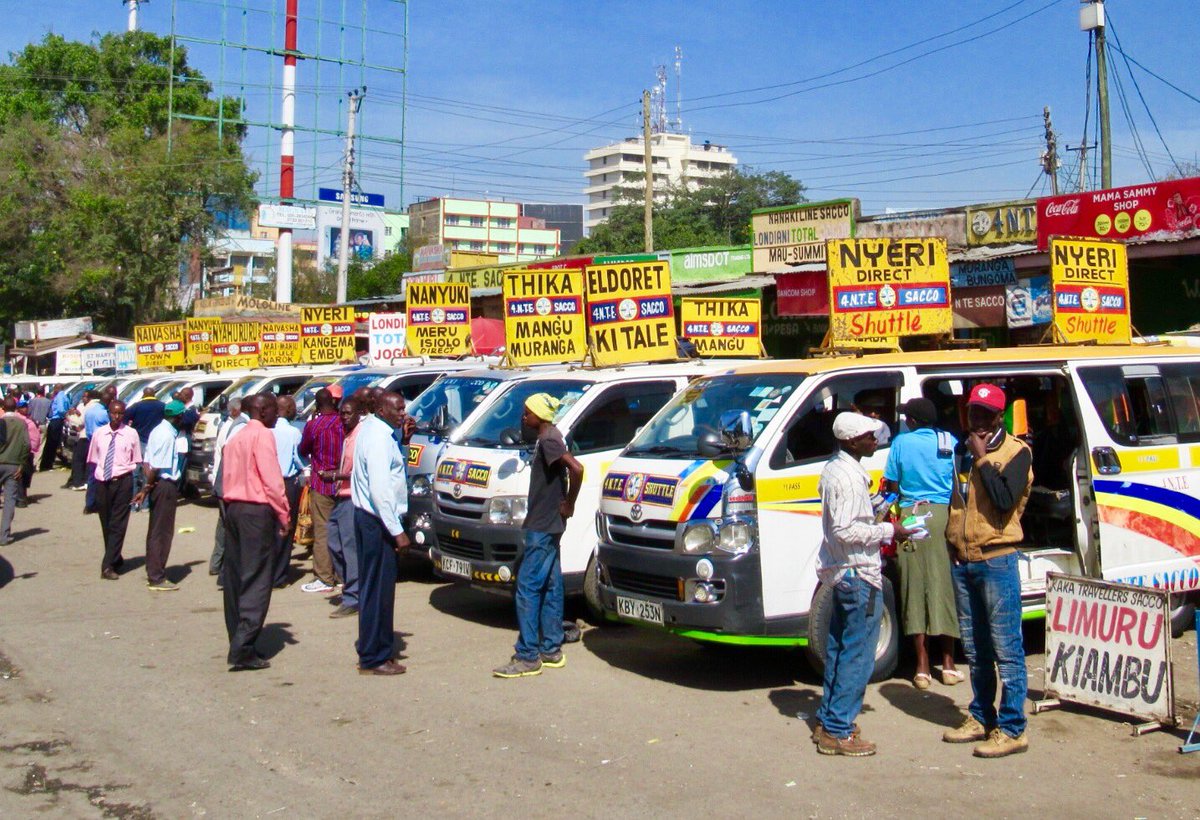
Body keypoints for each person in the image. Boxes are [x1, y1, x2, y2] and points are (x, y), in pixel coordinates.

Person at [812, 412, 913, 757]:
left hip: (844, 572)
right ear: (853, 441)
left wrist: (880, 510)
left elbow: (852, 518)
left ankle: (831, 719)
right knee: (858, 655)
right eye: (869, 437)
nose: (875, 441)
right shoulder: (847, 477)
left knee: (842, 649)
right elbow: (844, 530)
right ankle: (838, 729)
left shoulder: (839, 470)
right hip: (857, 573)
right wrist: (889, 531)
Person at [942, 383, 1033, 759]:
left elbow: (1003, 499)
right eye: (972, 413)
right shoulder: (962, 452)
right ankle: (981, 716)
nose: (976, 420)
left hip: (997, 558)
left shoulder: (1017, 452)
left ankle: (1013, 728)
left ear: (998, 416)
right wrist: (953, 544)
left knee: (1006, 649)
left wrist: (982, 458)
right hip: (965, 561)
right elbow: (958, 502)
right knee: (976, 650)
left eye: (984, 414)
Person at [492, 393, 584, 679]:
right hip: (550, 524)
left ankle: (528, 655)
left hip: (542, 526)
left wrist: (570, 502)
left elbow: (577, 468)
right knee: (551, 587)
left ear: (540, 416)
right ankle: (551, 649)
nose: (523, 417)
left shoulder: (548, 439)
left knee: (528, 588)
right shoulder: (549, 437)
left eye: (527, 412)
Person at [881, 398, 961, 690]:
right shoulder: (947, 439)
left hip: (912, 516)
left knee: (913, 588)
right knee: (943, 585)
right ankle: (949, 664)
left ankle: (922, 666)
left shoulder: (901, 443)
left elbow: (891, 483)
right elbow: (956, 479)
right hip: (942, 516)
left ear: (912, 421)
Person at [220, 393, 290, 671]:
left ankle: (239, 637)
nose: (278, 414)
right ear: (262, 410)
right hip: (255, 511)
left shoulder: (236, 436)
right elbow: (272, 481)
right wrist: (284, 514)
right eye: (274, 409)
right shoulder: (261, 436)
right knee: (257, 577)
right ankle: (243, 643)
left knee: (236, 576)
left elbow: (224, 477)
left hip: (234, 508)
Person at [350, 392, 412, 676]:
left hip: (374, 519)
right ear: (380, 409)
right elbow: (380, 490)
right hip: (377, 522)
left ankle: (375, 648)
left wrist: (405, 441)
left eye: (403, 408)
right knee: (378, 590)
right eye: (397, 408)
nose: (403, 413)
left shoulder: (381, 433)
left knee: (376, 588)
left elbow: (394, 472)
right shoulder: (376, 437)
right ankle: (375, 655)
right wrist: (397, 532)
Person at [134, 400, 188, 591]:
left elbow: (147, 461)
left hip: (158, 484)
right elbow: (155, 466)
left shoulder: (159, 430)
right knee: (162, 532)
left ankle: (154, 570)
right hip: (164, 485)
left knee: (156, 529)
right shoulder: (166, 435)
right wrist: (145, 489)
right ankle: (156, 575)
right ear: (178, 417)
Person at [88, 400, 141, 579]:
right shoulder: (99, 433)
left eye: (120, 414)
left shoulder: (131, 434)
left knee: (118, 524)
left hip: (123, 481)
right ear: (109, 413)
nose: (117, 417)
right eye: (113, 413)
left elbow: (136, 459)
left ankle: (107, 566)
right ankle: (115, 556)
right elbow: (94, 459)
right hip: (103, 482)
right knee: (107, 522)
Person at [298, 388, 344, 594]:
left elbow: (303, 450)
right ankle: (342, 575)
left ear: (317, 405)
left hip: (322, 482)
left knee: (323, 531)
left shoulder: (313, 425)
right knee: (343, 531)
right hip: (343, 482)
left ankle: (324, 577)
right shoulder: (344, 422)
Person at [323, 397, 362, 619]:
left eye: (348, 413)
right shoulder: (348, 436)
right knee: (333, 543)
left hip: (352, 498)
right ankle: (351, 585)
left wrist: (336, 475)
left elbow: (360, 471)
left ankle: (353, 596)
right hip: (341, 495)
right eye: (342, 414)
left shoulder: (360, 437)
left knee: (348, 549)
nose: (344, 418)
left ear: (358, 414)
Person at [208, 398, 247, 579]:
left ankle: (216, 563)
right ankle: (224, 570)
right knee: (230, 528)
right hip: (228, 485)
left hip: (221, 483)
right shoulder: (238, 428)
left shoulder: (228, 426)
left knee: (223, 526)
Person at [271, 394, 304, 588]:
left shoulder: (268, 431)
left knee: (270, 528)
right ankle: (279, 576)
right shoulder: (292, 433)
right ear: (289, 410)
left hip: (268, 484)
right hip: (287, 483)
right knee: (285, 527)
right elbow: (299, 459)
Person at [0, 397, 31, 546]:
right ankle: (3, 536)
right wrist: (21, 464)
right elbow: (27, 445)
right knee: (9, 501)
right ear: (16, 408)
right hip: (13, 465)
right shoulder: (21, 423)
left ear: (3, 408)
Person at [81, 386, 116, 512]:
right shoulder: (102, 413)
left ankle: (89, 504)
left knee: (92, 475)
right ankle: (101, 503)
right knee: (103, 475)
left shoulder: (90, 409)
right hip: (103, 446)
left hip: (91, 442)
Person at [65, 390, 96, 490]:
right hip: (79, 434)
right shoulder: (81, 406)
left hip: (85, 436)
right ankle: (83, 480)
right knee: (83, 460)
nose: (83, 398)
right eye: (83, 396)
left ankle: (79, 482)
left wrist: (70, 416)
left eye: (86, 397)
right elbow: (78, 422)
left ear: (90, 397)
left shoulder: (91, 406)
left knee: (78, 460)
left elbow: (81, 421)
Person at [13, 402, 40, 507]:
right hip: (24, 450)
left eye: (25, 407)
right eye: (22, 407)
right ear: (18, 409)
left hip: (26, 450)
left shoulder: (27, 420)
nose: (25, 409)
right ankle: (21, 498)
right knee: (22, 474)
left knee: (24, 474)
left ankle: (22, 496)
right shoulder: (23, 421)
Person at [40, 384, 70, 472]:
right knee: (53, 443)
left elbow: (60, 410)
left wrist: (65, 414)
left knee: (51, 444)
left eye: (54, 388)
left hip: (56, 420)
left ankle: (47, 464)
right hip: (57, 421)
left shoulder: (60, 396)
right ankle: (48, 463)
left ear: (58, 388)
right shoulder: (63, 396)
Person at [125, 387, 166, 452]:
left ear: (144, 394)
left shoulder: (137, 406)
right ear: (154, 394)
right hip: (157, 439)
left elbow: (125, 418)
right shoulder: (163, 406)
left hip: (140, 439)